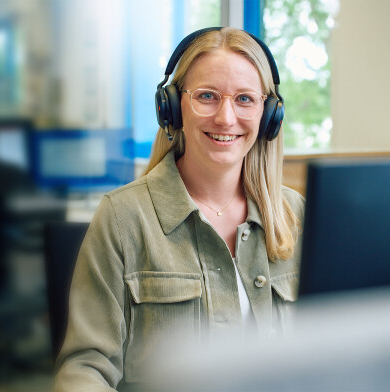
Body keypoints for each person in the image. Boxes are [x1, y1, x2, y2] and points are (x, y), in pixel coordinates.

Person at [54, 27, 305, 391]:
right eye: (207, 96)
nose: (226, 117)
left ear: (269, 115)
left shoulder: (294, 214)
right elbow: (85, 368)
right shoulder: (123, 217)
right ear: (172, 108)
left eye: (245, 99)